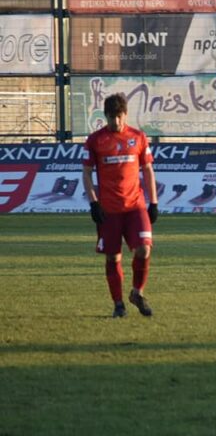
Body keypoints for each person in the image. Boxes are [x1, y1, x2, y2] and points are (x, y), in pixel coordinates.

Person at [82, 93, 159, 317]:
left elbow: (148, 169)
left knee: (144, 249)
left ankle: (137, 293)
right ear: (105, 116)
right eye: (110, 117)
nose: (115, 121)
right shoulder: (95, 140)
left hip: (135, 207)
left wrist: (153, 202)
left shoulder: (138, 137)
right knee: (113, 257)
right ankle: (118, 304)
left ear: (125, 114)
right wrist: (94, 203)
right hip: (109, 210)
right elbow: (86, 173)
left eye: (119, 116)